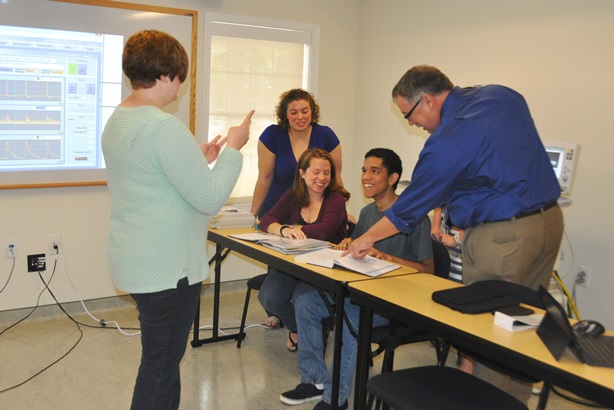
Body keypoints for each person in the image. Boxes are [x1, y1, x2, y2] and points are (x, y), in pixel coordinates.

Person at [345, 65, 564, 402]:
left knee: (491, 332)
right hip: (548, 222)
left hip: (503, 237)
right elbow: (488, 165)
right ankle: (515, 403)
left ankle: (485, 403)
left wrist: (365, 238)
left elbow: (407, 209)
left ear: (428, 100)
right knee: (524, 327)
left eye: (409, 115)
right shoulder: (500, 95)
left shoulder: (447, 141)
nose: (412, 123)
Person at [101, 29, 254, 410]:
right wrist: (233, 149)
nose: (180, 87)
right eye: (181, 78)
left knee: (164, 363)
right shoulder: (162, 126)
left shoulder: (120, 118)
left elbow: (151, 177)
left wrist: (197, 161)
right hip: (167, 271)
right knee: (160, 364)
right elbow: (210, 198)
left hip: (138, 262)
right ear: (167, 75)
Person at [280, 148, 433, 410]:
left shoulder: (415, 217)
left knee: (352, 316)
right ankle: (312, 381)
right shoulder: (367, 212)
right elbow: (359, 251)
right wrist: (348, 245)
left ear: (393, 178)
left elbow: (428, 270)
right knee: (305, 302)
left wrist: (387, 258)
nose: (366, 177)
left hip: (396, 300)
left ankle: (334, 399)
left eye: (375, 171)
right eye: (364, 170)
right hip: (364, 291)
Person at [250, 89, 346, 328]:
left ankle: (306, 320)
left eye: (305, 110)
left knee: (303, 276)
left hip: (315, 213)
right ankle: (281, 313)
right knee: (278, 270)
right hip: (282, 209)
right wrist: (252, 214)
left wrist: (339, 209)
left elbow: (336, 177)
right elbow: (264, 177)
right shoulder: (273, 135)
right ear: (285, 114)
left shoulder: (326, 135)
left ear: (312, 111)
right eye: (293, 112)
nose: (300, 116)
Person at [258, 148, 349, 352]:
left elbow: (324, 231)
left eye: (326, 173)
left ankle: (310, 337)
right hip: (295, 263)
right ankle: (298, 329)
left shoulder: (336, 199)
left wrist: (295, 228)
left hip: (324, 267)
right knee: (268, 296)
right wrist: (281, 229)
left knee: (301, 299)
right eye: (316, 172)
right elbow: (266, 220)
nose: (322, 178)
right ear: (302, 173)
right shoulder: (293, 195)